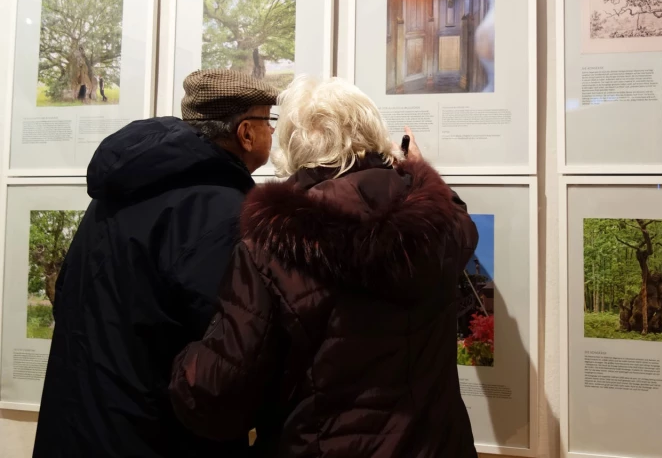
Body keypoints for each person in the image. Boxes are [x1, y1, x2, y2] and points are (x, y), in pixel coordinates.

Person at [169, 76, 480, 457]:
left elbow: (217, 393)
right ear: (371, 131)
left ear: (293, 144)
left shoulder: (271, 247)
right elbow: (459, 219)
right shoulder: (441, 226)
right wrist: (419, 170)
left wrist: (181, 361)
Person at [33, 69, 279, 458]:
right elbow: (226, 352)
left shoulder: (121, 188)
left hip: (80, 423)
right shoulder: (220, 210)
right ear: (246, 132)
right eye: (270, 121)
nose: (273, 133)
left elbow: (67, 294)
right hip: (153, 434)